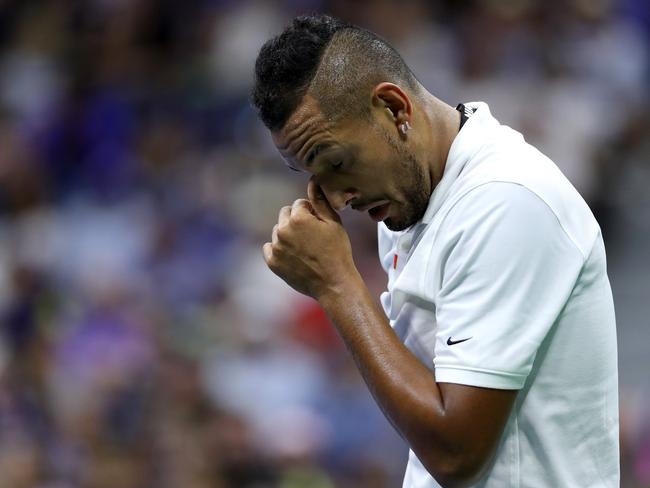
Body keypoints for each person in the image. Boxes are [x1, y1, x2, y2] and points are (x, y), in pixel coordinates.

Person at [251, 14, 619, 488]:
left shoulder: (506, 200)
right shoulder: (412, 195)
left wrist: (336, 285)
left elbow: (456, 452)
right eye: (312, 174)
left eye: (338, 162)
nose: (338, 197)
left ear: (393, 108)